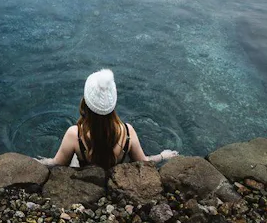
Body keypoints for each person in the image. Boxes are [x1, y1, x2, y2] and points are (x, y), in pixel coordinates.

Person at [37, 69, 177, 170]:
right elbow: (144, 161)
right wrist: (163, 156)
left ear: (85, 102)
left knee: (74, 158)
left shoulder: (74, 134)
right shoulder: (127, 132)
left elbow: (57, 163)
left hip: (86, 172)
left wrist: (38, 162)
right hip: (114, 171)